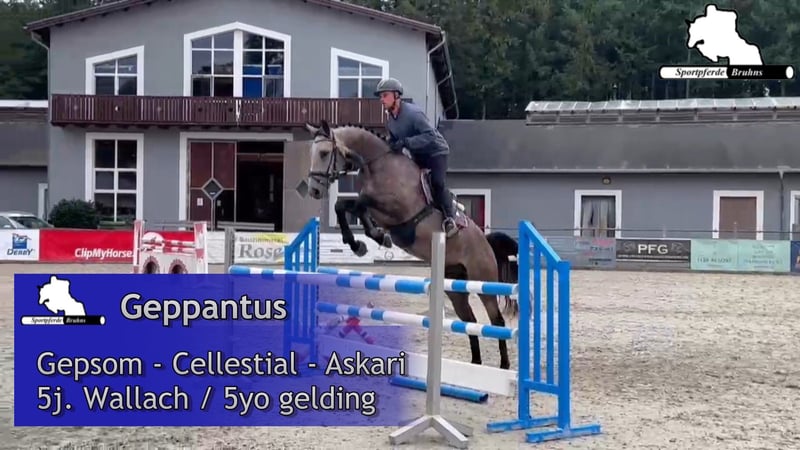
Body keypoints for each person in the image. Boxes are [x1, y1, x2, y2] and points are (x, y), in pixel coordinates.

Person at [374, 77, 459, 238]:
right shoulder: (391, 121)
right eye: (380, 96)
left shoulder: (413, 114)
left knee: (437, 183)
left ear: (396, 96)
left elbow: (430, 136)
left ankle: (450, 218)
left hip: (436, 152)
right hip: (418, 154)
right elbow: (394, 141)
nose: (381, 100)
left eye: (385, 95)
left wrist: (407, 142)